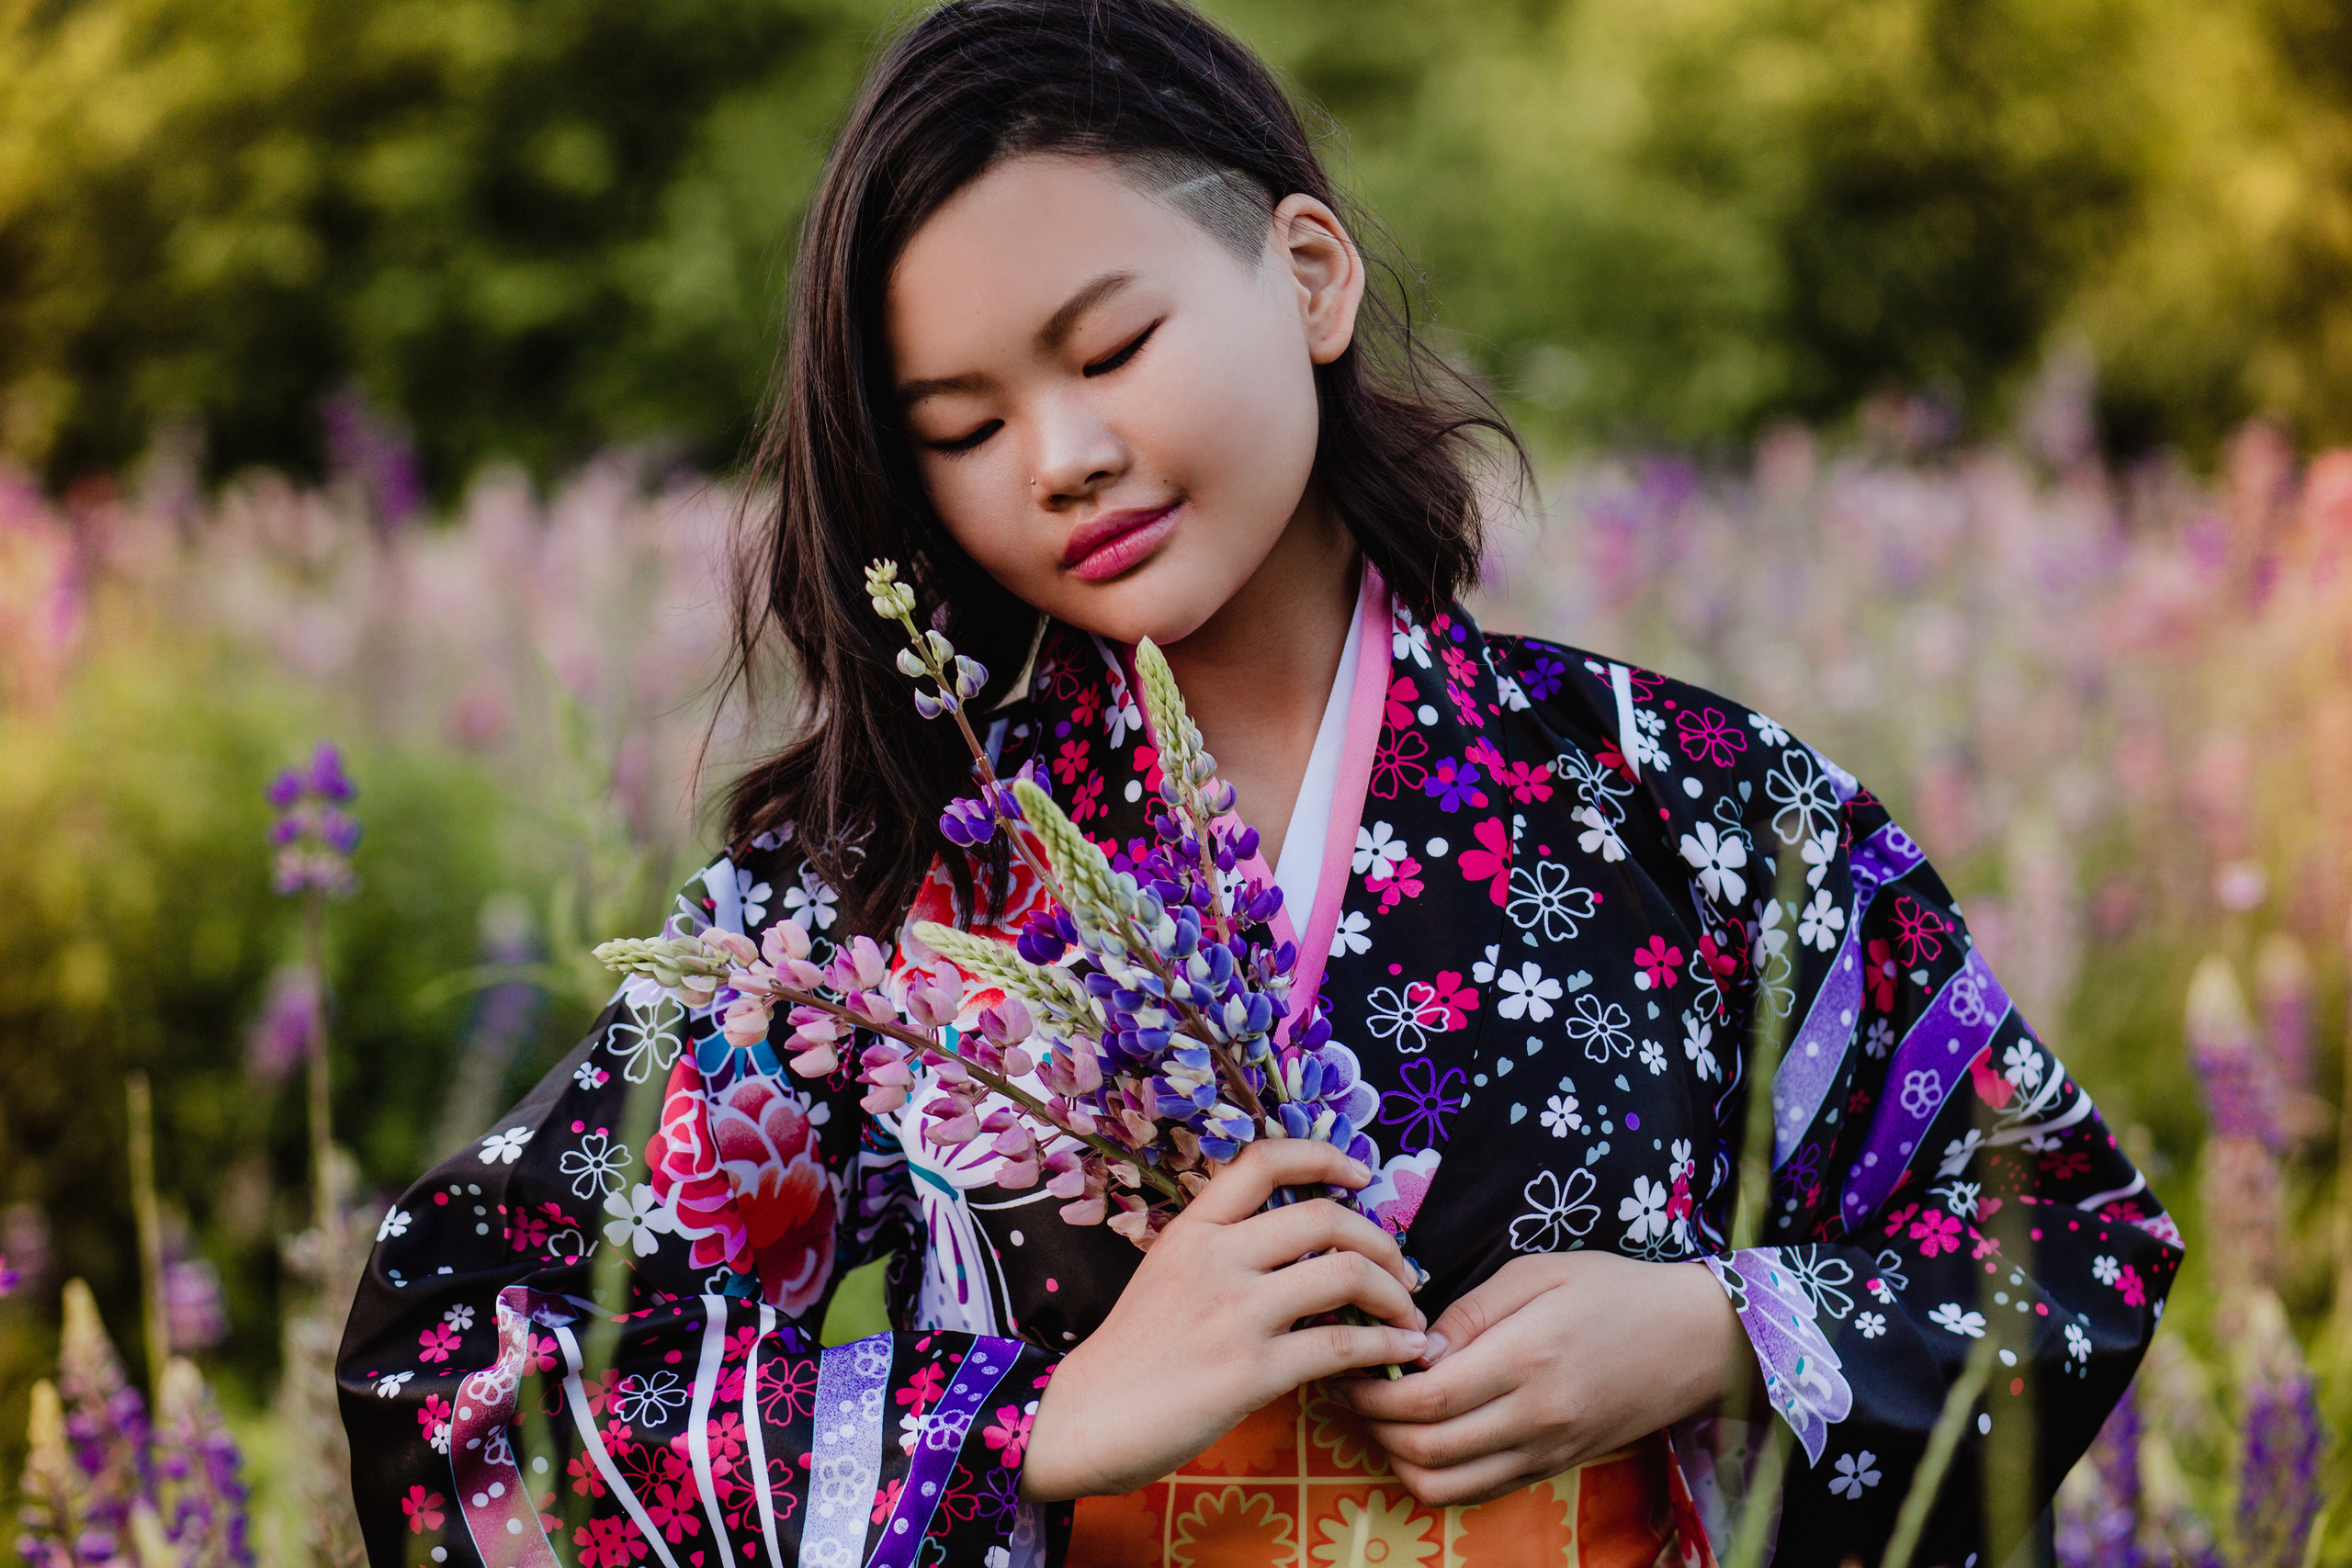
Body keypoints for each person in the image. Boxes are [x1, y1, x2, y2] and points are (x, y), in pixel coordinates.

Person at [338, 2, 2179, 1563]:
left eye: (1109, 346)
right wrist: (1032, 1419)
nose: (1057, 458)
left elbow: (2067, 1235)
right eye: (960, 428)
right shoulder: (870, 897)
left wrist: (1721, 1321)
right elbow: (461, 1368)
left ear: (1306, 274)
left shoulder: (1678, 800)